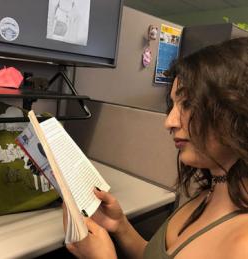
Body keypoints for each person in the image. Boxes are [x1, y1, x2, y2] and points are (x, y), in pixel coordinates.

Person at [63, 37, 248, 258]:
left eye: (188, 104)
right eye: (173, 105)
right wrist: (120, 226)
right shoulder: (211, 192)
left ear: (238, 111)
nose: (169, 121)